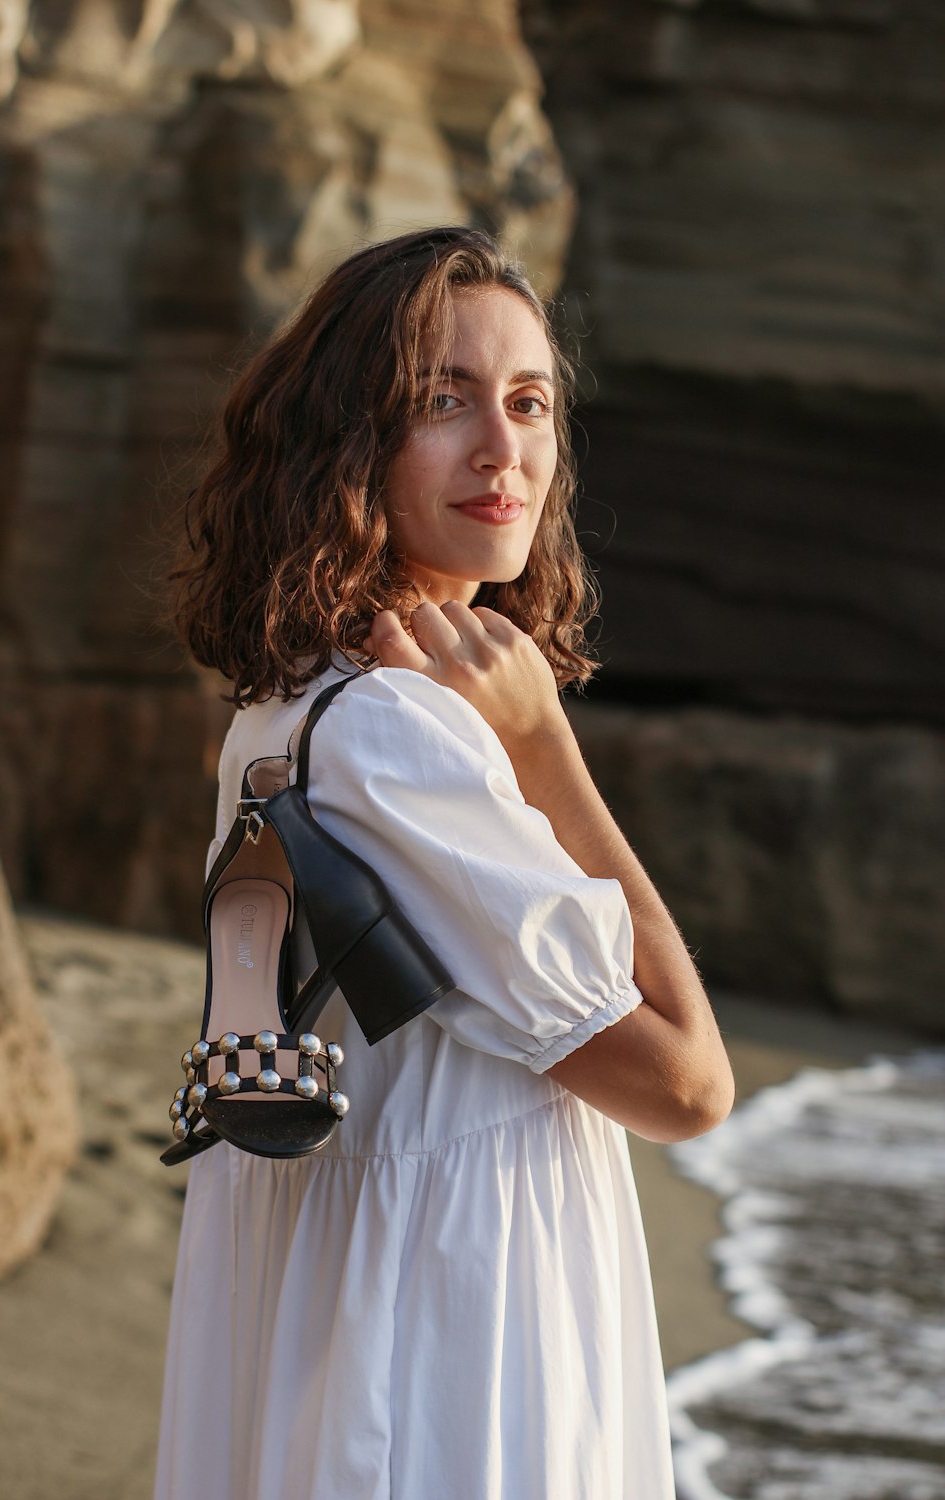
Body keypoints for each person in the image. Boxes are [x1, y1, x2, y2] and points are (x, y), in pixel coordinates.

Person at [154, 225, 734, 1500]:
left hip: (344, 1295)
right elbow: (687, 1083)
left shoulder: (290, 707)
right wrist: (545, 752)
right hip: (450, 1338)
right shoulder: (400, 735)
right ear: (349, 446)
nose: (503, 449)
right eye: (441, 399)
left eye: (529, 402)